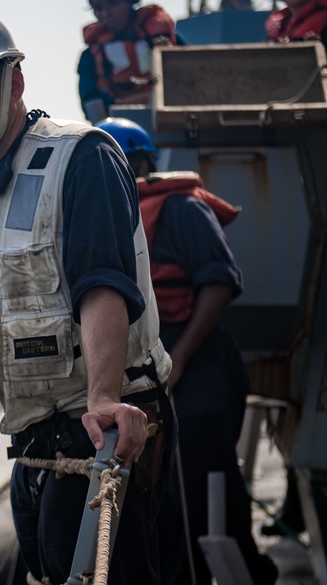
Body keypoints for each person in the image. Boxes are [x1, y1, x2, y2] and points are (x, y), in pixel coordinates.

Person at [0, 5, 175, 585]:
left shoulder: (83, 158)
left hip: (107, 437)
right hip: (31, 448)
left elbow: (102, 284)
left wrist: (101, 397)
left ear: (14, 80)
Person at [95, 117, 279, 585]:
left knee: (206, 486)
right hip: (153, 367)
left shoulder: (180, 210)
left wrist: (176, 366)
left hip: (200, 367)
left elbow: (220, 283)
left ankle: (251, 574)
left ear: (139, 162)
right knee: (163, 500)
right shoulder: (112, 219)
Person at [78, 0, 178, 123]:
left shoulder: (165, 39)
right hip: (119, 133)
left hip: (172, 124)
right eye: (98, 7)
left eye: (113, 3)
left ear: (131, 2)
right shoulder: (89, 57)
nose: (105, 13)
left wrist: (169, 54)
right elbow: (90, 106)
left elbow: (192, 78)